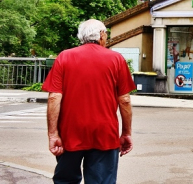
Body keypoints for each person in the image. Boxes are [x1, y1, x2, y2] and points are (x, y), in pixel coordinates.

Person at [42, 19, 136, 184]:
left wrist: (53, 134)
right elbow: (125, 100)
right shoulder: (116, 59)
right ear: (101, 35)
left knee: (65, 180)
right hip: (104, 133)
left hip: (70, 133)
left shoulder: (64, 57)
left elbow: (54, 97)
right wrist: (126, 133)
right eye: (106, 33)